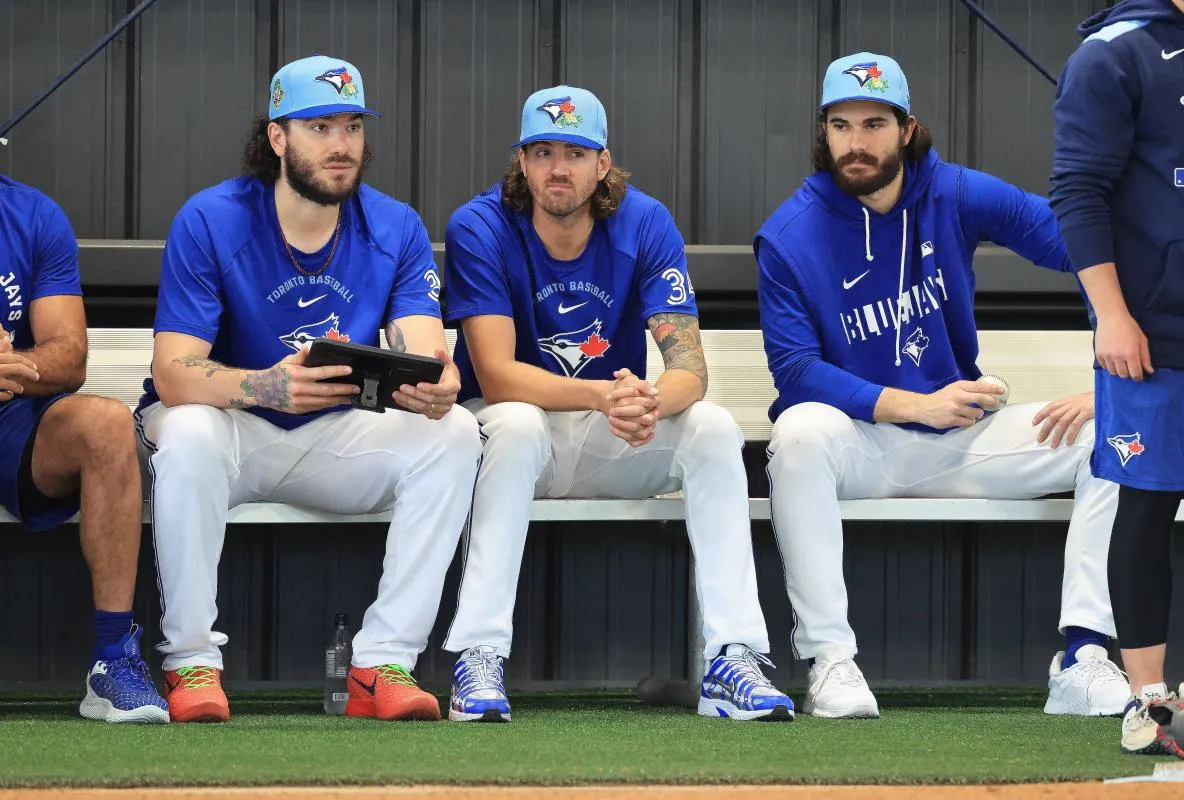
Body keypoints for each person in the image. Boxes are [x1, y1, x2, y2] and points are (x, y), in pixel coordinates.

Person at [755, 52, 1130, 719]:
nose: (857, 141)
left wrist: (1108, 376)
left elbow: (1079, 243)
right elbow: (795, 371)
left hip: (963, 438)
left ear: (906, 129)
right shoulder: (789, 234)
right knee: (797, 433)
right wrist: (915, 404)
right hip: (863, 443)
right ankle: (831, 663)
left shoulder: (952, 192)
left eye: (874, 123)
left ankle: (1084, 654)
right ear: (824, 132)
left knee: (1117, 432)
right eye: (841, 125)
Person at [136, 55, 481, 723]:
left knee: (457, 432)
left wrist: (438, 384)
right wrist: (265, 386)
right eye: (319, 126)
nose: (341, 145)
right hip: (234, 429)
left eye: (352, 127)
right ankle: (192, 664)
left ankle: (383, 664)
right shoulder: (212, 219)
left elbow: (427, 349)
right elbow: (175, 371)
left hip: (333, 432)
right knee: (186, 430)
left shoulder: (395, 225)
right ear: (277, 137)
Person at [439, 85, 794, 723]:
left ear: (603, 163)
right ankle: (479, 654)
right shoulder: (481, 224)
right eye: (542, 151)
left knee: (710, 428)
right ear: (521, 161)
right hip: (512, 444)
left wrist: (647, 403)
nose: (557, 168)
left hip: (610, 435)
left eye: (575, 152)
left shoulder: (645, 221)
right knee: (517, 425)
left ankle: (732, 655)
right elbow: (495, 376)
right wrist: (608, 395)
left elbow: (690, 368)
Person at [1050, 0, 1184, 756]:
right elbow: (1078, 191)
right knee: (1146, 507)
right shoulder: (1114, 53)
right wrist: (1110, 313)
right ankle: (1148, 701)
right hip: (1151, 332)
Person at [0, 176, 167, 723]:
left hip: (11, 412)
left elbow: (69, 358)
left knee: (106, 423)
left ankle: (112, 660)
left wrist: (14, 367)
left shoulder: (30, 215)